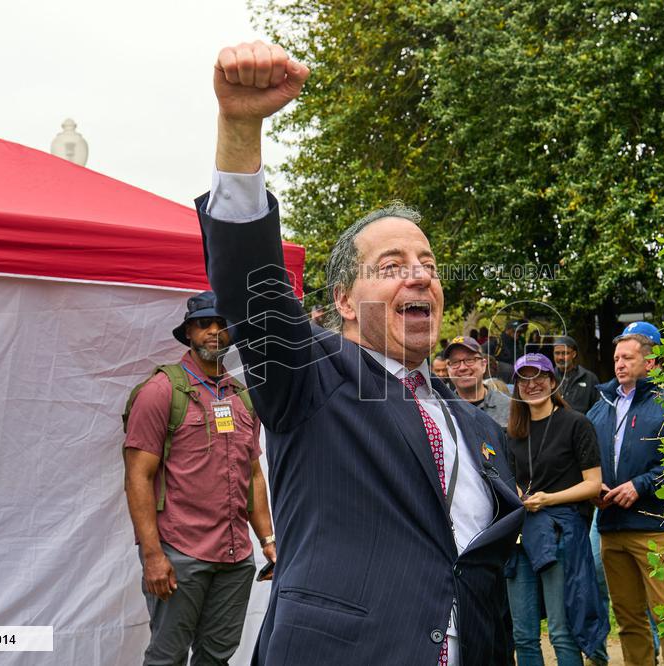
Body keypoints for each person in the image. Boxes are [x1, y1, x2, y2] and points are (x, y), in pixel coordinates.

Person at [198, 41, 523, 665]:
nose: (420, 276)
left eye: (428, 264)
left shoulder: (477, 423)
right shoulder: (311, 378)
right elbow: (251, 281)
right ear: (345, 300)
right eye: (393, 266)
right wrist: (240, 126)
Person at [123, 291, 276, 665]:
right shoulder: (161, 391)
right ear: (188, 332)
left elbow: (253, 473)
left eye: (222, 325)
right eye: (204, 324)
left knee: (217, 657)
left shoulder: (242, 396)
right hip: (180, 552)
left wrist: (268, 540)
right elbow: (138, 477)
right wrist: (153, 555)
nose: (214, 332)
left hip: (235, 555)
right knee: (167, 657)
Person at [586, 322, 664, 665]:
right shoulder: (600, 406)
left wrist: (640, 485)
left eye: (628, 358)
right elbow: (583, 457)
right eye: (617, 357)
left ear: (650, 363)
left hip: (654, 527)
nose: (619, 364)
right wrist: (593, 486)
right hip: (611, 527)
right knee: (629, 620)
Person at [505, 353, 609, 666]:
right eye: (524, 378)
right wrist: (518, 494)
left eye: (539, 377)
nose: (532, 384)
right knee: (523, 634)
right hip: (521, 536)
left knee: (562, 631)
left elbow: (593, 484)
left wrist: (548, 498)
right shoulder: (511, 433)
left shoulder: (576, 423)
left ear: (553, 381)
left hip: (561, 534)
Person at [444, 335, 509, 427]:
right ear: (448, 369)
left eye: (470, 360)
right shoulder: (442, 411)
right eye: (455, 362)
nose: (462, 367)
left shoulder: (509, 407)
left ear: (483, 365)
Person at [552, 335, 600, 414]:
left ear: (574, 354)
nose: (560, 357)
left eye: (565, 353)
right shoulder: (548, 378)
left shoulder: (590, 378)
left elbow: (597, 409)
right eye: (557, 353)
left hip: (581, 425)